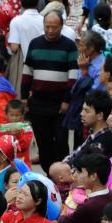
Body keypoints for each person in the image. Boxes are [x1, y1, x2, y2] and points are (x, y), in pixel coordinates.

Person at [22, 11, 79, 171]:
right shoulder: (35, 43)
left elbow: (73, 76)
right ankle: (49, 174)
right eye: (47, 27)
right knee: (43, 141)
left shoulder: (69, 46)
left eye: (54, 27)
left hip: (59, 103)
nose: (50, 30)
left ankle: (63, 172)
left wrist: (67, 100)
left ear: (61, 26)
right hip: (38, 102)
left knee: (61, 141)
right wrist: (24, 97)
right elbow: (27, 72)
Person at [57, 153, 112, 223]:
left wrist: (63, 212)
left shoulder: (89, 206)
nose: (75, 175)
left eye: (80, 172)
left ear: (93, 176)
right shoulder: (111, 195)